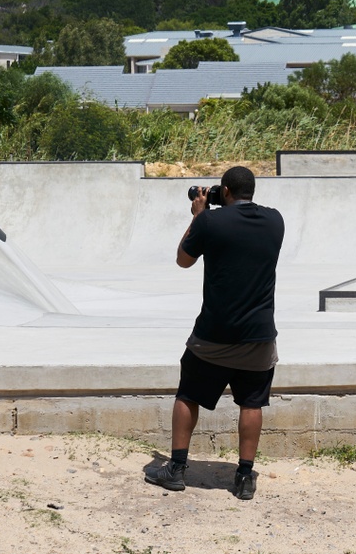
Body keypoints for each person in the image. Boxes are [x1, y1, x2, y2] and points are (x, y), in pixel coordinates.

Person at [144, 166, 285, 501]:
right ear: (252, 190)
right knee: (252, 402)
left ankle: (176, 470)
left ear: (224, 190)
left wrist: (198, 215)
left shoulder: (209, 222)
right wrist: (220, 204)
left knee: (187, 395)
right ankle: (245, 476)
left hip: (212, 337)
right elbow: (243, 219)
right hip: (259, 336)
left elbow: (183, 260)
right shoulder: (275, 221)